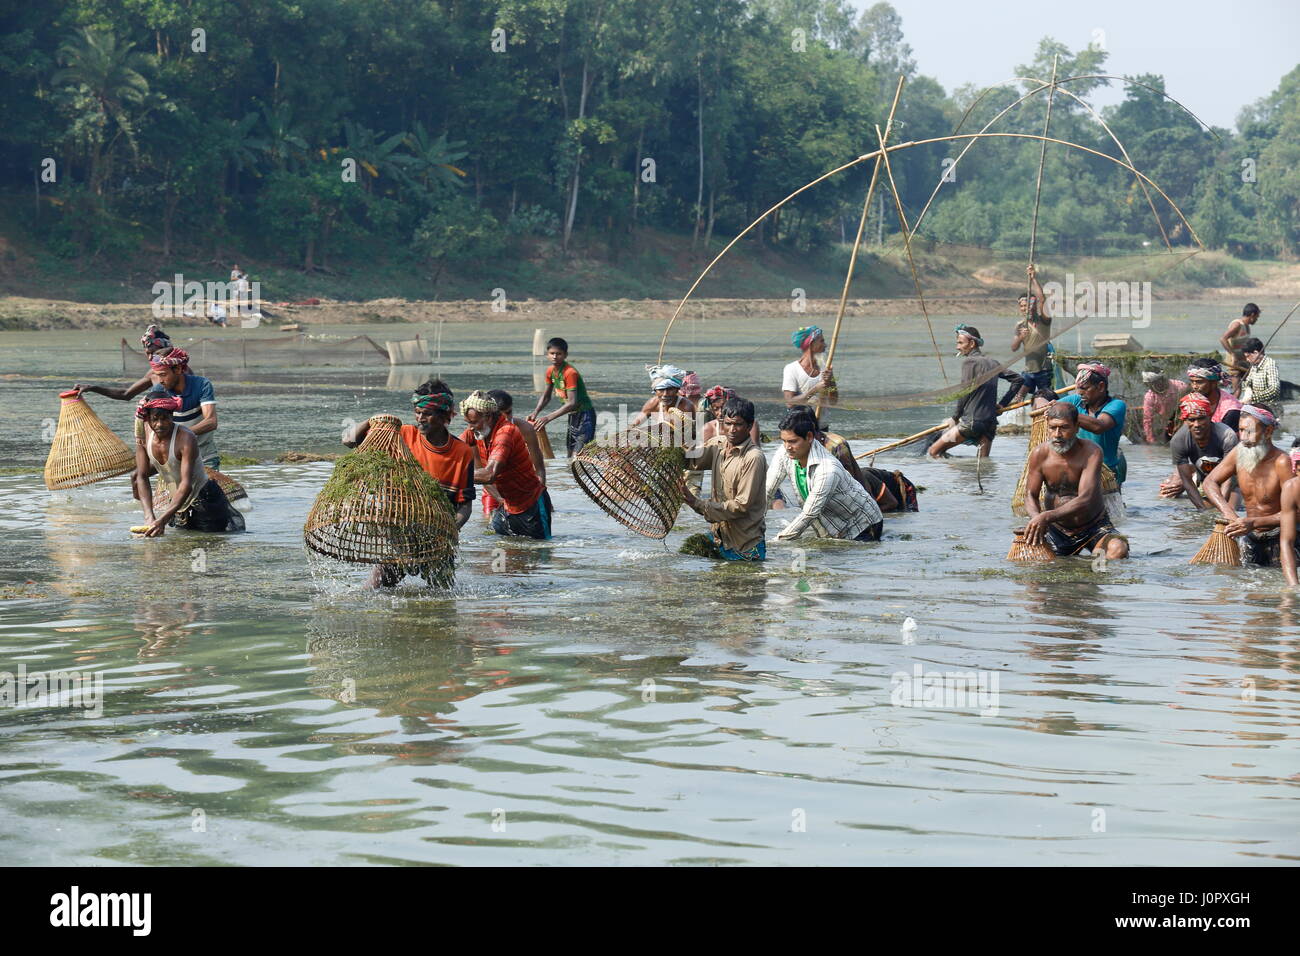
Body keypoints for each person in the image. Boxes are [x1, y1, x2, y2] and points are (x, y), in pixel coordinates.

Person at [344, 381, 474, 587]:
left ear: (445, 415)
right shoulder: (401, 436)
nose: (420, 418)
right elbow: (349, 440)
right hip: (400, 537)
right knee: (372, 591)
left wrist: (449, 531)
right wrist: (372, 421)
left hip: (437, 542)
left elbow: (465, 505)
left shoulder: (462, 453)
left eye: (427, 413)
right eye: (417, 412)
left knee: (443, 602)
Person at [1022, 402, 1128, 559]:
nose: (1057, 434)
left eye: (1064, 428)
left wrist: (1047, 516)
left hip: (1094, 527)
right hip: (1056, 529)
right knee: (1031, 563)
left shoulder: (1091, 452)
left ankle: (1098, 577)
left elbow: (1085, 498)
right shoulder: (1039, 454)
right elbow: (1030, 494)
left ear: (1077, 427)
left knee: (1118, 549)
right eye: (1053, 428)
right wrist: (1036, 518)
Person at [132, 390, 244, 536]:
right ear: (148, 419)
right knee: (181, 547)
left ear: (172, 416)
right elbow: (141, 475)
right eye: (155, 419)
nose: (160, 424)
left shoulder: (185, 438)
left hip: (205, 500)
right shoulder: (144, 438)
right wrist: (149, 517)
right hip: (178, 503)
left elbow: (186, 484)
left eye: (165, 418)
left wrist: (163, 519)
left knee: (209, 547)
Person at [765, 410, 883, 542]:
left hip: (863, 523)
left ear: (809, 437)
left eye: (792, 441)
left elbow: (809, 514)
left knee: (844, 557)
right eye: (784, 441)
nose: (787, 447)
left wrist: (775, 542)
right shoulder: (785, 452)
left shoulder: (827, 469)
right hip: (833, 518)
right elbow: (767, 491)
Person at [1203, 404, 1295, 568]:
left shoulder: (1282, 462)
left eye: (1250, 432)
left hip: (1280, 536)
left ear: (1267, 432)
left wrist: (1254, 522)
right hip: (1249, 535)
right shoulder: (1239, 452)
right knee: (1248, 588)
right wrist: (1230, 514)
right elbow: (1210, 482)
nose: (1243, 438)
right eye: (1241, 430)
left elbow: (1296, 513)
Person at [681, 396, 767, 561]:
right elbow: (691, 460)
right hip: (719, 537)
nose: (732, 430)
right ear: (722, 424)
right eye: (728, 424)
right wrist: (675, 441)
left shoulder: (753, 458)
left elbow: (741, 506)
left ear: (749, 426)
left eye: (738, 424)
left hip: (745, 546)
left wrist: (696, 503)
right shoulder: (718, 445)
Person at [787, 403, 917, 512]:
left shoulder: (836, 446)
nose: (788, 444)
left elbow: (889, 503)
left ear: (809, 432)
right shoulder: (797, 449)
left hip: (900, 491)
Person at [463, 391, 552, 539]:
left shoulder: (507, 431)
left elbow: (489, 474)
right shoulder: (477, 430)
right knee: (507, 550)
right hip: (506, 503)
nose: (470, 427)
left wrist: (451, 476)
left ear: (489, 417)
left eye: (473, 422)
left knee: (540, 552)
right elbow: (452, 446)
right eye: (468, 423)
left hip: (531, 504)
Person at [928, 324, 1018, 458]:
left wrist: (955, 417)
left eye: (960, 343)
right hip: (989, 424)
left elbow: (965, 391)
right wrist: (1003, 404)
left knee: (934, 452)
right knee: (982, 463)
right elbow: (1019, 379)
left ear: (971, 343)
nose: (957, 347)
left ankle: (957, 471)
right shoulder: (993, 362)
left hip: (971, 424)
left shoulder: (970, 362)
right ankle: (972, 475)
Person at [1158, 394, 1240, 509]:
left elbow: (1228, 479)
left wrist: (1222, 509)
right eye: (1191, 420)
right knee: (1167, 490)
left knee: (1230, 510)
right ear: (1185, 420)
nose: (1196, 425)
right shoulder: (1179, 440)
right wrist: (1201, 510)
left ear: (1210, 416)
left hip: (1232, 483)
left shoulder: (1226, 435)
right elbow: (1186, 480)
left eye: (1201, 418)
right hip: (1204, 478)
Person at [1061, 362, 1127, 487]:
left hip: (1106, 471)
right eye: (1078, 388)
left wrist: (1066, 414)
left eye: (1084, 388)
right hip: (1078, 467)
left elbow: (1099, 426)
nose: (1079, 392)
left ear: (1101, 387)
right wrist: (1044, 403)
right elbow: (1052, 407)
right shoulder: (1076, 400)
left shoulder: (1116, 405)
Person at [529, 337, 596, 457]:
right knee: (569, 455)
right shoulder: (550, 371)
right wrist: (536, 412)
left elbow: (572, 403)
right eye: (552, 353)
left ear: (565, 355)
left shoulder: (570, 373)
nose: (555, 356)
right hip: (573, 416)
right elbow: (546, 396)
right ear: (547, 355)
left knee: (578, 456)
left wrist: (547, 418)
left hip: (585, 416)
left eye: (559, 354)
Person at [1010, 264, 1053, 401]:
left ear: (1034, 306)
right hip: (1029, 371)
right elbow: (1014, 348)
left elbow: (1042, 300)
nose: (1025, 308)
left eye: (1027, 305)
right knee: (1018, 398)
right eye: (1022, 306)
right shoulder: (1020, 325)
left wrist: (1033, 278)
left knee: (1044, 399)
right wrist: (1021, 337)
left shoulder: (1044, 320)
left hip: (1044, 371)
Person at [783, 326, 836, 410]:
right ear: (811, 343)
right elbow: (790, 403)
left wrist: (831, 382)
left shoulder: (825, 368)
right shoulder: (791, 369)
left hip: (822, 423)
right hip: (801, 422)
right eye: (821, 341)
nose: (825, 345)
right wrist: (815, 390)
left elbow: (833, 402)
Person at [630, 366, 695, 429]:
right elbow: (635, 423)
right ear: (655, 391)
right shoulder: (653, 403)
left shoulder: (685, 406)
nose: (665, 394)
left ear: (677, 390)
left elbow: (687, 434)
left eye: (670, 389)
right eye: (661, 390)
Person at [1186, 359, 1242, 431]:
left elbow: (1228, 439)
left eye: (1199, 382)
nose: (1194, 386)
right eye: (1192, 381)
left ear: (1214, 383)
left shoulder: (1231, 411)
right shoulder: (1190, 400)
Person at [1139, 370, 1188, 443]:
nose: (1152, 386)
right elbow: (1148, 420)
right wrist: (1150, 440)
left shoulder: (1179, 387)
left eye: (1155, 383)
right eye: (1149, 385)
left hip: (1184, 420)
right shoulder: (1150, 396)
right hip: (1166, 424)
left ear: (1161, 380)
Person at [1219, 303, 1260, 389]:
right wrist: (1233, 355)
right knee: (1237, 390)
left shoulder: (1247, 326)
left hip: (1243, 361)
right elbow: (1223, 339)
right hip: (1234, 362)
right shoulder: (1237, 325)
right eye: (1257, 317)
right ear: (1252, 315)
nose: (1257, 319)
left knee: (1252, 384)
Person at [1239, 337, 1281, 406]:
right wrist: (1247, 390)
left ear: (1256, 353)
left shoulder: (1270, 364)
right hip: (1256, 405)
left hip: (1270, 407)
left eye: (1247, 356)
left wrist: (1252, 398)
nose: (1247, 360)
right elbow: (1247, 383)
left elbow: (1274, 390)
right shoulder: (1254, 365)